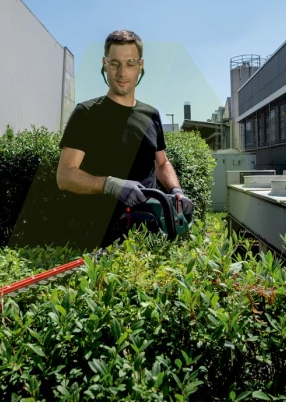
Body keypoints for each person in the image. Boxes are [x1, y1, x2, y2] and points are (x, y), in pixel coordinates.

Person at [56, 29, 194, 249]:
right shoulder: (86, 114)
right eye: (115, 64)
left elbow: (162, 163)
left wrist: (176, 191)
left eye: (130, 64)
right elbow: (64, 176)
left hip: (149, 239)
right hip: (100, 242)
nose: (122, 73)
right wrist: (110, 184)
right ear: (105, 64)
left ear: (140, 66)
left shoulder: (151, 115)